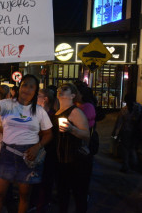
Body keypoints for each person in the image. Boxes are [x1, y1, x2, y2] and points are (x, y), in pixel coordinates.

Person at [0, 74, 53, 213]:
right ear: (19, 86)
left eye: (31, 87)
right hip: (7, 154)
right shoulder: (7, 104)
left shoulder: (39, 111)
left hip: (28, 156)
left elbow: (48, 134)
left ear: (35, 91)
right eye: (25, 85)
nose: (27, 89)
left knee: (24, 196)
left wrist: (37, 147)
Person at [54, 83, 90, 213]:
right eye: (59, 89)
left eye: (64, 89)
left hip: (73, 160)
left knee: (77, 193)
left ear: (73, 95)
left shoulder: (75, 111)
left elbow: (86, 135)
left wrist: (72, 129)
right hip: (61, 159)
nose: (60, 91)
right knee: (62, 193)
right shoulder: (57, 111)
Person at [30, 88, 57, 213]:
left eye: (38, 96)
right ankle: (36, 203)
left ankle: (42, 204)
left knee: (45, 180)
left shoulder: (52, 115)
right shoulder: (38, 113)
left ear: (45, 99)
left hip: (48, 153)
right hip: (38, 152)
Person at [112, 93, 142, 173]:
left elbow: (119, 123)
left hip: (126, 132)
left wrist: (115, 133)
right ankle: (134, 164)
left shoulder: (124, 110)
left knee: (125, 149)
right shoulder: (140, 108)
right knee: (132, 149)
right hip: (137, 132)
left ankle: (126, 165)